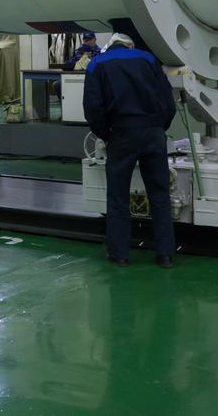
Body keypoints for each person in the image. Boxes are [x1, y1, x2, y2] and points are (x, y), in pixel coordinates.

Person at [84, 33, 177, 268]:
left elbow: (93, 107)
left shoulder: (96, 64)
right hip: (153, 133)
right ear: (130, 45)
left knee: (118, 196)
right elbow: (168, 100)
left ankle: (119, 254)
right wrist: (159, 126)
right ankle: (166, 254)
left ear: (110, 45)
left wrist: (107, 134)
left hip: (122, 133)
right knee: (160, 194)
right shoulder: (148, 59)